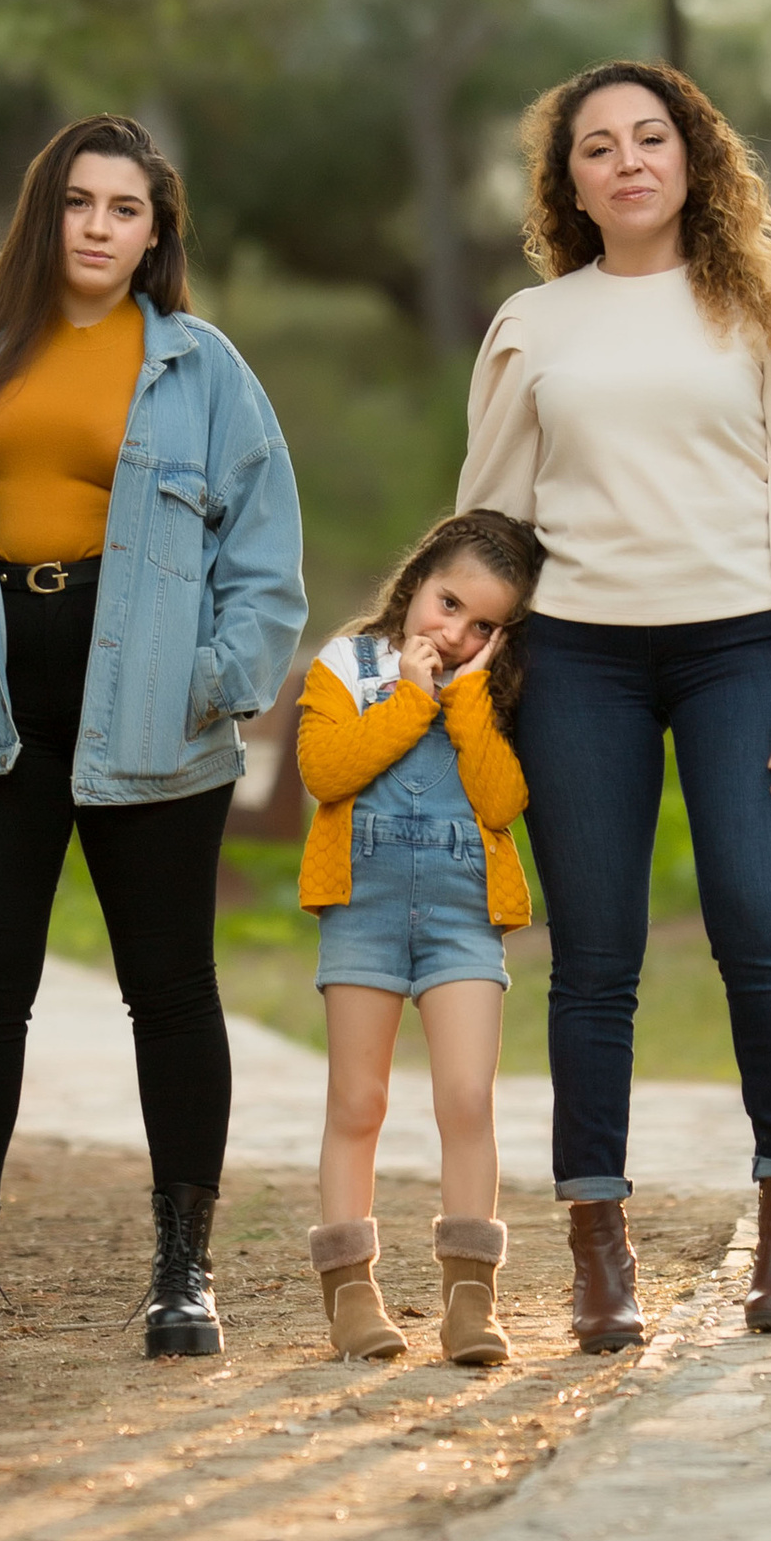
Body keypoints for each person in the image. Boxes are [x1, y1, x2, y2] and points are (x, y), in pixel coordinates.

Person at [0, 114, 306, 1359]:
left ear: (155, 233)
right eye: (79, 204)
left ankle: (183, 1274)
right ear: (43, 213)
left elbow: (264, 557)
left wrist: (219, 680)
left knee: (171, 991)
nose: (99, 228)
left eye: (126, 210)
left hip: (153, 702)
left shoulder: (202, 370)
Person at [459, 60, 771, 1346]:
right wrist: (456, 665)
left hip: (740, 648)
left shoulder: (767, 311)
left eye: (651, 138)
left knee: (758, 926)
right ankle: (597, 1246)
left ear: (692, 158)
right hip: (578, 660)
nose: (628, 161)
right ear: (567, 182)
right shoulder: (536, 326)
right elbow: (494, 522)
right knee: (592, 962)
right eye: (598, 147)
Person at [295, 510, 543, 1368]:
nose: (456, 632)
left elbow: (502, 802)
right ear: (416, 581)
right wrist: (410, 699)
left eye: (483, 624)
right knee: (357, 1103)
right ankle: (351, 1294)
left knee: (467, 1098)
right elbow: (325, 771)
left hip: (461, 918)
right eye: (446, 605)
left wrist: (468, 701)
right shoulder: (347, 667)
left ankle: (471, 1297)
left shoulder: (498, 695)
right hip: (362, 912)